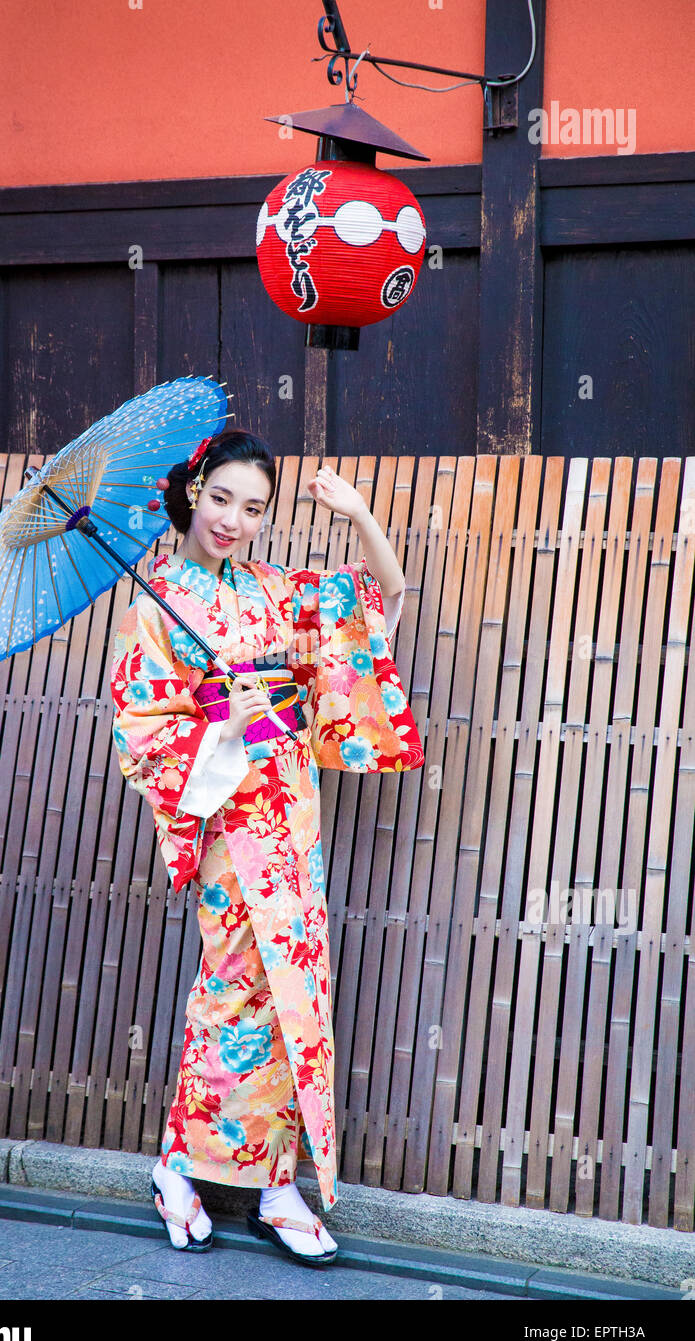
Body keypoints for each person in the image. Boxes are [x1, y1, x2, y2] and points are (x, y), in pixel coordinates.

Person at [110, 428, 424, 1267]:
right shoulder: (154, 604)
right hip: (227, 815)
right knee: (234, 989)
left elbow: (380, 607)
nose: (233, 520)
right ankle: (190, 1167)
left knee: (299, 995)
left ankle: (275, 1179)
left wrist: (359, 518)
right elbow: (143, 739)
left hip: (292, 809)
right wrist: (229, 721)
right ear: (191, 491)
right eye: (220, 499)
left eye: (253, 508)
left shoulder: (272, 589)